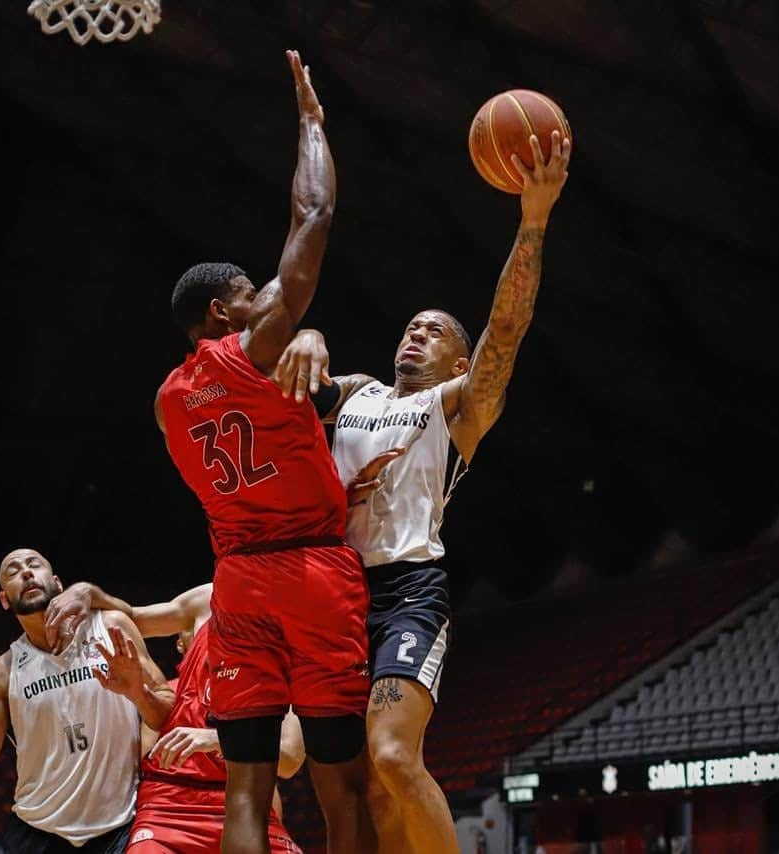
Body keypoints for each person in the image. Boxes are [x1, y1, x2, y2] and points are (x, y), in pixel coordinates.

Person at [276, 130, 571, 853]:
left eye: (433, 331)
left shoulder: (455, 407)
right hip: (331, 592)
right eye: (411, 327)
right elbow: (280, 386)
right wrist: (306, 332)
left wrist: (533, 217)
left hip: (409, 590)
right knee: (368, 789)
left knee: (393, 758)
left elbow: (507, 328)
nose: (415, 334)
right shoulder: (354, 392)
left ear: (458, 360)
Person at [152, 49, 374, 854]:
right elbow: (310, 221)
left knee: (244, 785)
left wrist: (306, 338)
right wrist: (312, 122)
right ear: (223, 310)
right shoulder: (249, 349)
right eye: (252, 296)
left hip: (237, 583)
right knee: (338, 780)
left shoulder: (169, 398)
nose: (265, 302)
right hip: (311, 570)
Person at [0, 548, 174, 853]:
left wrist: (138, 693)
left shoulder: (110, 627)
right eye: (13, 571)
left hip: (117, 828)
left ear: (58, 583)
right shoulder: (4, 672)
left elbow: (168, 712)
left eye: (34, 565)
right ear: (5, 599)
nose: (27, 573)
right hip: (36, 832)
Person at [44, 580, 306, 852]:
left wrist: (216, 739)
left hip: (240, 796)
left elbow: (289, 759)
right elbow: (131, 618)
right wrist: (87, 591)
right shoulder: (206, 605)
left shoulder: (286, 644)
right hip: (169, 802)